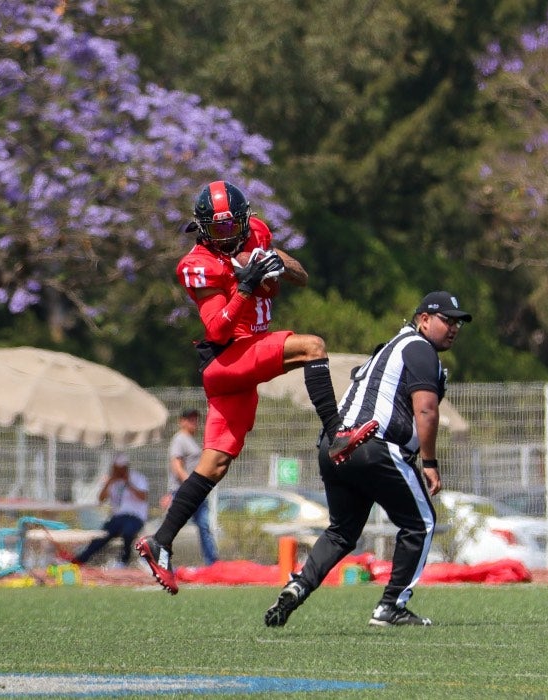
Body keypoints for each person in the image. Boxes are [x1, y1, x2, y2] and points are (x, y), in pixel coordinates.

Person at [136, 180, 378, 593]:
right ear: (202, 228)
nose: (227, 238)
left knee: (214, 464)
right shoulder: (198, 263)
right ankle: (337, 434)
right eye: (218, 230)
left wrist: (277, 263)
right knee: (312, 346)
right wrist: (245, 285)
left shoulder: (258, 233)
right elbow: (217, 327)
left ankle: (160, 542)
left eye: (233, 229)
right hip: (228, 356)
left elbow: (298, 276)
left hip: (241, 366)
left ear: (245, 221)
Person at [264, 290, 472, 627]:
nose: (454, 328)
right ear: (423, 319)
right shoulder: (419, 348)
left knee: (341, 532)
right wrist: (430, 463)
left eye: (458, 322)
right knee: (421, 523)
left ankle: (298, 586)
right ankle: (391, 606)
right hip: (374, 445)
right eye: (446, 320)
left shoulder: (391, 348)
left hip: (334, 447)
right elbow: (426, 410)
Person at [73, 453, 149, 568]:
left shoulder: (138, 478)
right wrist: (109, 482)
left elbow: (143, 497)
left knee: (128, 532)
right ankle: (80, 561)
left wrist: (128, 483)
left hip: (135, 517)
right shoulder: (113, 482)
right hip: (118, 518)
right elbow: (101, 499)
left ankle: (124, 561)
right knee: (102, 536)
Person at [167, 409, 219, 566]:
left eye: (195, 419)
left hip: (195, 492)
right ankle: (153, 556)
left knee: (204, 526)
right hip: (184, 491)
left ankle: (212, 563)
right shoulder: (180, 439)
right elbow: (177, 465)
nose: (194, 422)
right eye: (190, 419)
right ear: (181, 421)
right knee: (171, 527)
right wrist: (190, 484)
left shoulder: (191, 440)